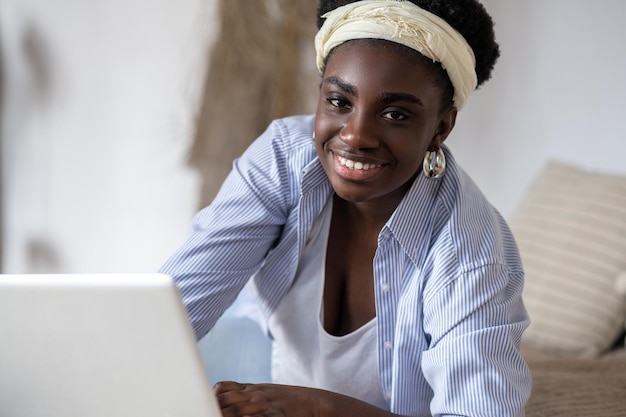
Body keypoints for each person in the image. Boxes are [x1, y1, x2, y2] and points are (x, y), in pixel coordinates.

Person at [159, 0, 532, 416]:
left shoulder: (469, 253)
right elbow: (172, 313)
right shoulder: (284, 159)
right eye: (339, 101)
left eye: (394, 113)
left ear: (440, 127)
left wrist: (324, 409)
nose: (355, 136)